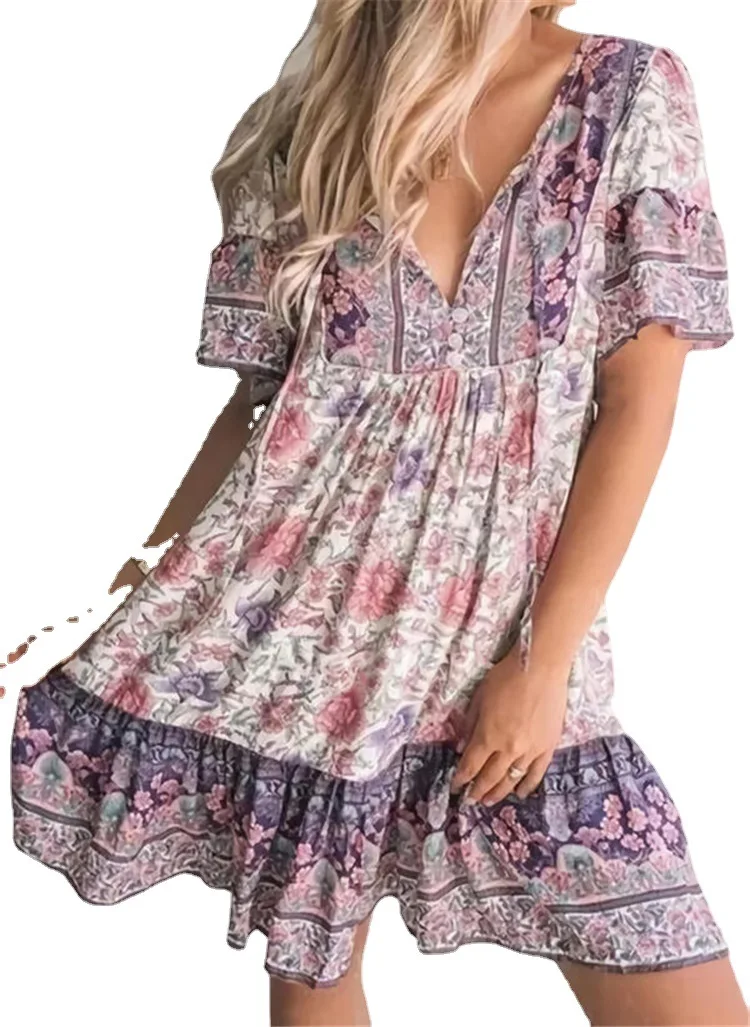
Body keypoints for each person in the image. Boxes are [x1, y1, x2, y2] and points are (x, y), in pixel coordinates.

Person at [9, 3, 747, 1025]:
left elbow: (639, 404)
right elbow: (266, 417)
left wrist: (542, 664)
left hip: (507, 658)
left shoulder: (628, 96)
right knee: (316, 970)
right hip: (308, 646)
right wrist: (117, 592)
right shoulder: (309, 122)